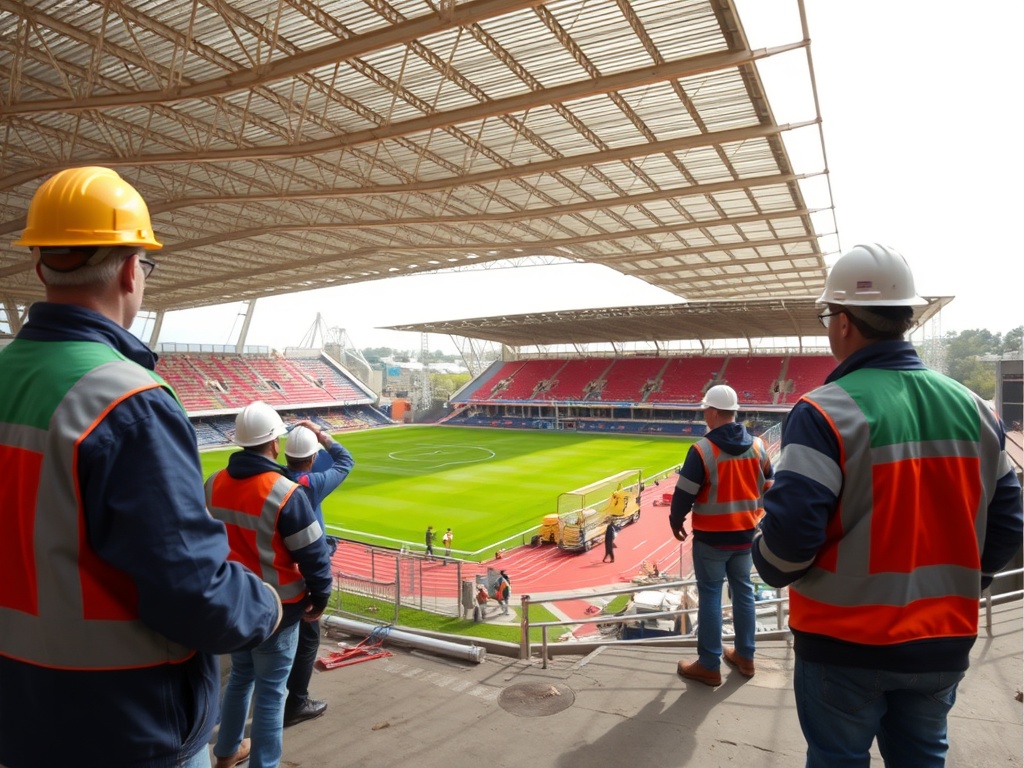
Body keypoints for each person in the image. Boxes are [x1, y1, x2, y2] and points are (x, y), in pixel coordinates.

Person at [0, 166, 282, 768]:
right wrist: (267, 606)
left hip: (16, 716)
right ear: (133, 269)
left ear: (42, 265)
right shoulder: (128, 402)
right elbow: (192, 588)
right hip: (121, 725)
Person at [752, 244, 1024, 766]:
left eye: (828, 314)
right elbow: (1010, 526)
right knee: (923, 756)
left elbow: (787, 546)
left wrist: (766, 563)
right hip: (944, 637)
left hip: (843, 645)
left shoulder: (822, 411)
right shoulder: (973, 407)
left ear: (845, 322)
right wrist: (966, 580)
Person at [206, 402, 334, 768]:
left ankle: (227, 752)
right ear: (275, 443)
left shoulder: (214, 483)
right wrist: (320, 598)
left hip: (231, 604)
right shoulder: (285, 493)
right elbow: (314, 557)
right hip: (277, 609)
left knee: (240, 678)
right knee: (271, 694)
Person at [671, 384, 774, 687]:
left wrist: (675, 520)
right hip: (745, 536)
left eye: (705, 409)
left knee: (711, 598)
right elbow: (771, 481)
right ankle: (746, 656)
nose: (704, 414)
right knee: (744, 594)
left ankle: (708, 664)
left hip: (711, 540)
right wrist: (760, 513)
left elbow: (683, 495)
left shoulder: (702, 450)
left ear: (714, 412)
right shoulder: (758, 445)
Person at [281, 420, 354, 727]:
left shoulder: (276, 480)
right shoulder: (312, 484)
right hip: (304, 572)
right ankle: (295, 701)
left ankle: (278, 690)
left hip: (276, 568)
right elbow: (346, 460)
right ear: (311, 459)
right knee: (308, 637)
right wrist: (321, 434)